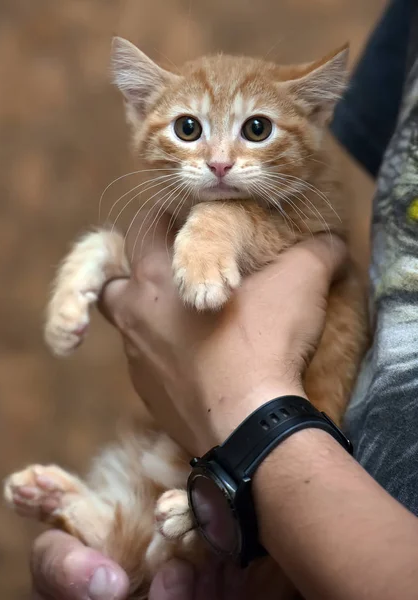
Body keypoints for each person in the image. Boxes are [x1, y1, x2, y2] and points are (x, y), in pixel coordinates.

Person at [30, 0, 418, 598]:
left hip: (294, 467)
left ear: (312, 115)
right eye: (189, 129)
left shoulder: (304, 209)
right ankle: (119, 533)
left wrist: (217, 229)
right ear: (139, 110)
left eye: (255, 129)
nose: (218, 161)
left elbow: (310, 238)